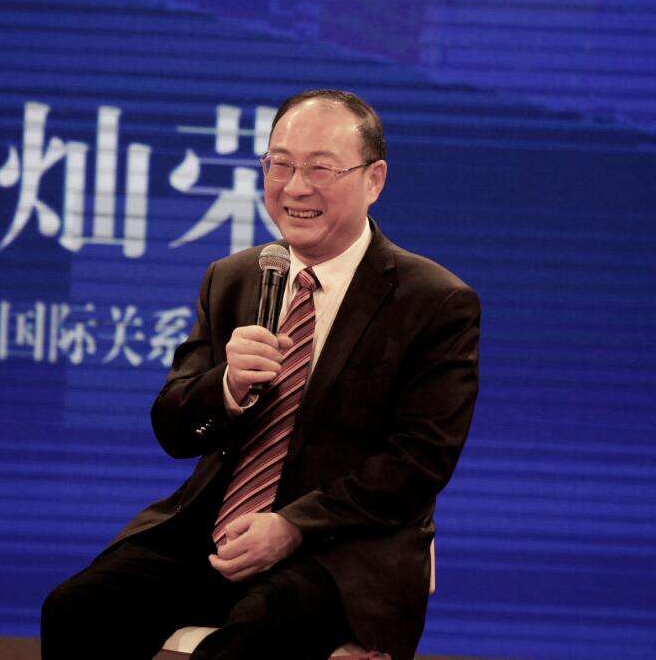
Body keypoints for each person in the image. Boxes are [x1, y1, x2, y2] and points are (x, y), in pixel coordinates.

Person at [41, 90, 480, 660]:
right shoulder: (234, 277)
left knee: (245, 643)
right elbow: (172, 428)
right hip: (216, 535)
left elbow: (419, 462)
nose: (294, 188)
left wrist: (293, 525)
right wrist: (226, 387)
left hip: (342, 553)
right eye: (280, 165)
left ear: (373, 180)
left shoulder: (434, 301)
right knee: (77, 610)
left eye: (320, 168)